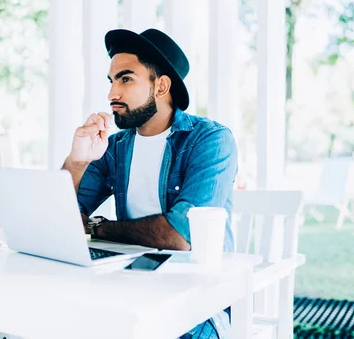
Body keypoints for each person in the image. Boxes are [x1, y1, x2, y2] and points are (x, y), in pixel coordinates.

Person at [62, 28, 238, 339]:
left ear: (161, 86)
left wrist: (97, 228)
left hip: (195, 305)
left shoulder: (209, 140)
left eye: (125, 79)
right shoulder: (114, 147)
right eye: (112, 81)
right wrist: (77, 162)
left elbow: (182, 235)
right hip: (129, 291)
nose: (112, 94)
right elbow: (61, 219)